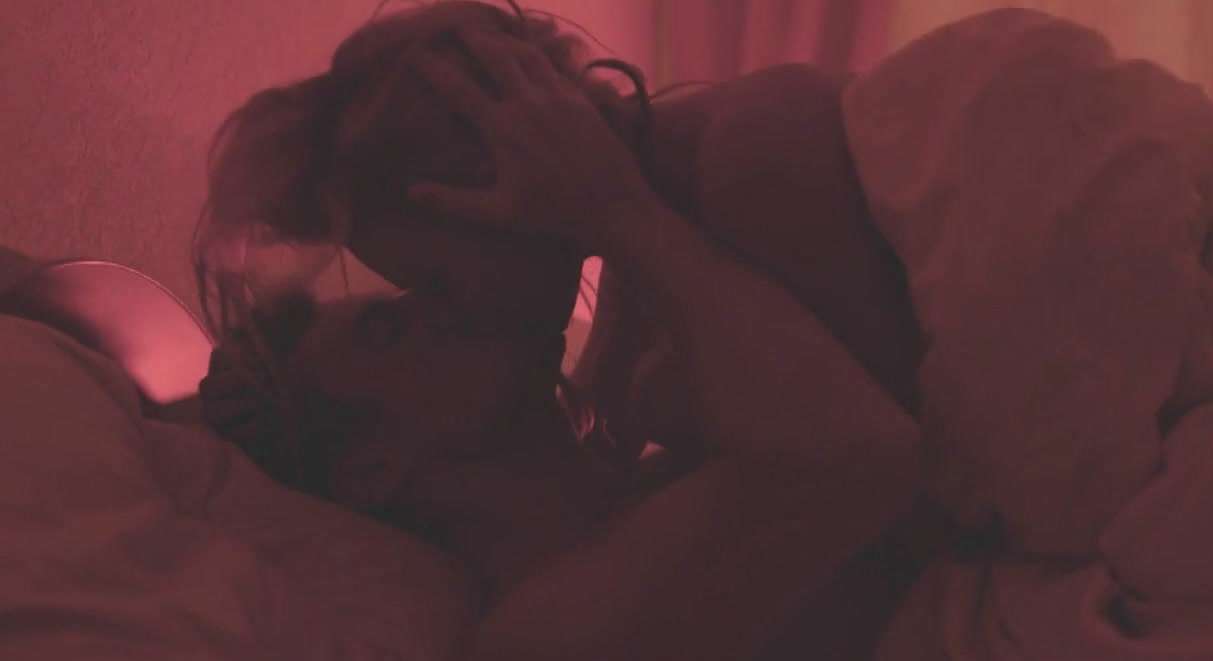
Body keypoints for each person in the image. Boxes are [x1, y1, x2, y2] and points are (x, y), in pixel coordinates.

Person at [193, 1, 926, 658]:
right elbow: (862, 454)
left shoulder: (635, 474)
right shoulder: (541, 632)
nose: (442, 307)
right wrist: (617, 211)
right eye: (389, 325)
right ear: (371, 467)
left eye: (430, 285)